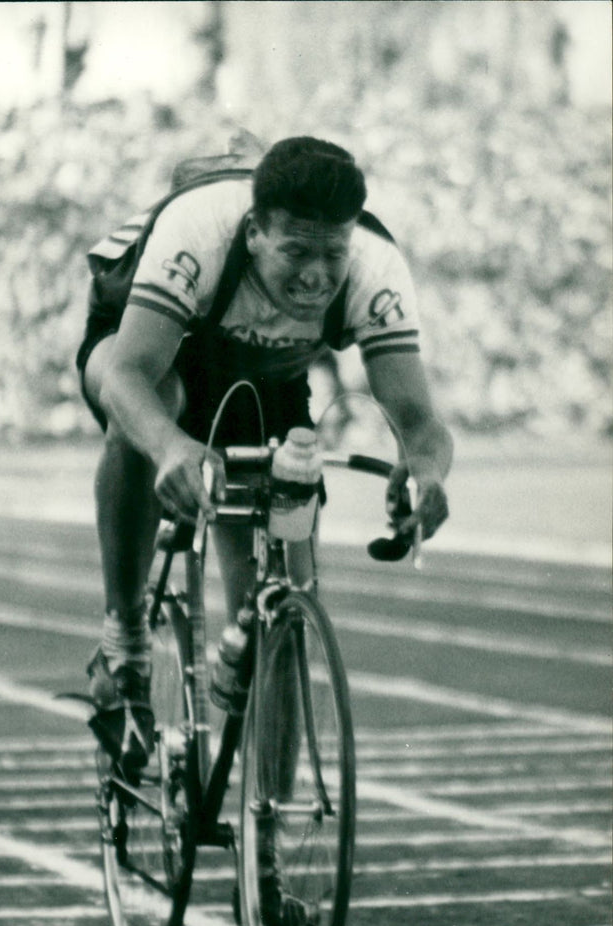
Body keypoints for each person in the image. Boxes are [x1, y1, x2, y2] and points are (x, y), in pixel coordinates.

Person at [77, 135, 453, 784]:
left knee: (288, 599)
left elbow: (420, 422)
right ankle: (124, 644)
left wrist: (426, 474)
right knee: (149, 407)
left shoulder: (375, 266)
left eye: (331, 255)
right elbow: (127, 377)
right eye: (297, 252)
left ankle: (268, 851)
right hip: (161, 352)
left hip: (268, 379)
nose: (315, 276)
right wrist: (170, 445)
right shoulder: (198, 232)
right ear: (254, 231)